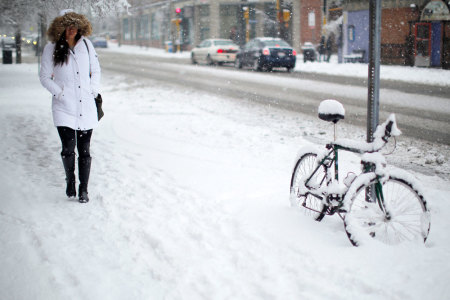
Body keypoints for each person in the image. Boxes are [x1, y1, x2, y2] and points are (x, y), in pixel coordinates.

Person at [39, 10, 101, 203]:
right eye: (68, 26)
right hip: (63, 106)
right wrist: (60, 93)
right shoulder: (51, 48)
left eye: (75, 26)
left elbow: (96, 70)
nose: (72, 29)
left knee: (85, 150)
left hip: (86, 106)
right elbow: (44, 77)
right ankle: (70, 180)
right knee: (68, 149)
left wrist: (92, 90)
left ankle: (84, 189)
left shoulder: (87, 46)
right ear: (61, 27)